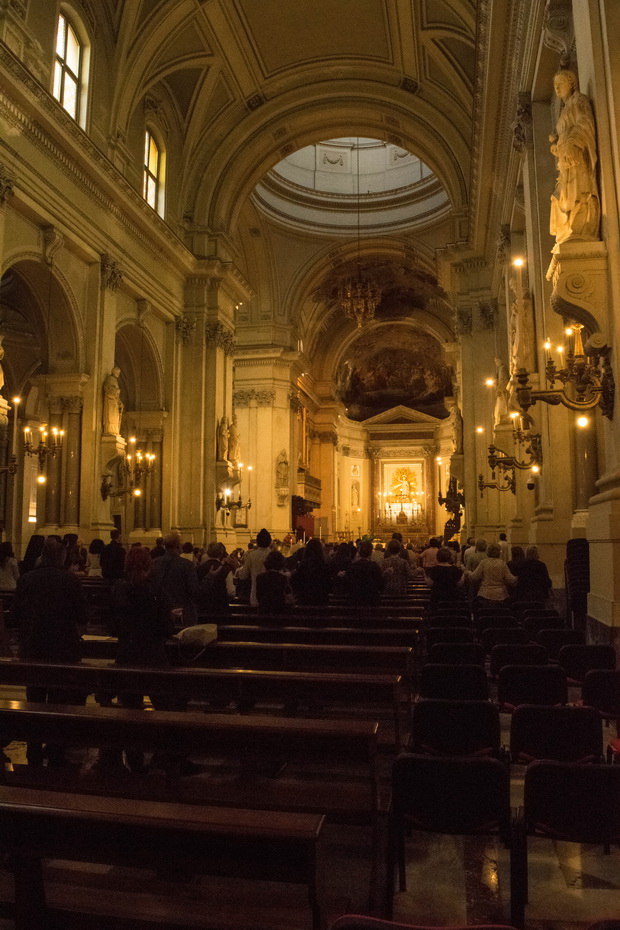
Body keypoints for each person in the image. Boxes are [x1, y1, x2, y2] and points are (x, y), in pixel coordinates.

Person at [11, 538, 88, 764]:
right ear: (62, 558)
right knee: (58, 701)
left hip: (33, 648)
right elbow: (83, 616)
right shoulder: (70, 581)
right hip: (62, 651)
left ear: (42, 556)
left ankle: (33, 747)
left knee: (34, 699)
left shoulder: (26, 580)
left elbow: (15, 616)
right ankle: (54, 748)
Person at [549, 69, 600, 244]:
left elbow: (584, 122)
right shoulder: (564, 109)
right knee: (562, 194)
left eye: (560, 84)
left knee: (577, 191)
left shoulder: (578, 101)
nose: (557, 88)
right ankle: (570, 227)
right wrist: (558, 146)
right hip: (565, 159)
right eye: (555, 85)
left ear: (571, 84)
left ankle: (581, 226)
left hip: (576, 155)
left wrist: (572, 142)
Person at [149, 531, 199, 626]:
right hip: (183, 613)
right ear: (177, 545)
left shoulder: (155, 563)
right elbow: (193, 590)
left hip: (162, 613)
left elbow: (152, 588)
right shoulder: (187, 565)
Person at [235, 528, 272, 607]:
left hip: (255, 592)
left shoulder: (252, 555)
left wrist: (238, 572)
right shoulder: (273, 555)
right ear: (270, 542)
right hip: (271, 593)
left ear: (257, 542)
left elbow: (243, 575)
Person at [291, 537, 332, 606]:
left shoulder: (302, 566)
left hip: (304, 601)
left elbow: (296, 584)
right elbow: (328, 585)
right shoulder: (324, 566)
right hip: (321, 602)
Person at [425, 546, 465, 614]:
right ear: (449, 557)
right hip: (452, 598)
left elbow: (429, 584)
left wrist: (424, 575)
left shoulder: (435, 569)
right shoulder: (454, 569)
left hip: (437, 598)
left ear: (437, 557)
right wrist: (463, 574)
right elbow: (460, 584)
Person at [345, 539, 385, 605]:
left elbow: (348, 585)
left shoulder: (353, 566)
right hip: (372, 602)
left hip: (355, 602)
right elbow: (380, 585)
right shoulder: (374, 566)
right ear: (371, 552)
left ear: (359, 552)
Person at [256, 549, 291, 617]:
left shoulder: (260, 577)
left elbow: (258, 596)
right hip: (279, 612)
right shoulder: (283, 578)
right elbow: (288, 596)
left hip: (263, 612)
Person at [102, 365, 123, 435]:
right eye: (117, 372)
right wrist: (116, 391)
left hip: (114, 403)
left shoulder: (114, 380)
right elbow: (108, 390)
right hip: (110, 402)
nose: (118, 374)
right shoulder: (110, 379)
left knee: (115, 418)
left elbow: (116, 393)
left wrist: (120, 402)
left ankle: (114, 430)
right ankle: (110, 430)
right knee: (111, 418)